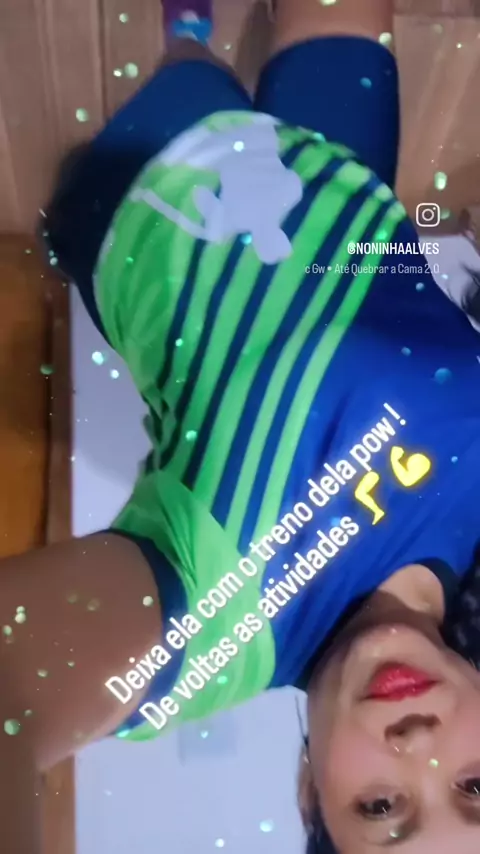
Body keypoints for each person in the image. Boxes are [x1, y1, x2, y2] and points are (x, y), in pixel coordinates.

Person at [3, 0, 480, 851]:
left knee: (193, 60)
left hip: (166, 184)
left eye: (381, 808)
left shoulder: (214, 629)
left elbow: (16, 686)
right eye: (475, 787)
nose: (418, 748)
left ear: (309, 791)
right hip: (346, 180)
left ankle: (186, 33)